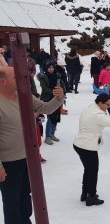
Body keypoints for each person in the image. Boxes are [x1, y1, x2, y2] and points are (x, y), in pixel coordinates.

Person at [0, 66, 64, 223]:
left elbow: (46, 108)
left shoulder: (23, 96)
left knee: (25, 196)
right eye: (15, 77)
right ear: (3, 82)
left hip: (27, 158)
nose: (22, 79)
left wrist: (59, 98)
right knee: (11, 202)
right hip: (7, 163)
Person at [37, 62, 66, 145]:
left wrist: (62, 93)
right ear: (46, 68)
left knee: (56, 117)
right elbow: (45, 89)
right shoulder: (43, 77)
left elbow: (62, 86)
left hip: (57, 99)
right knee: (50, 118)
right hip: (48, 99)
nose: (51, 69)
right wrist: (56, 93)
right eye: (49, 68)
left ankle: (52, 134)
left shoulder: (57, 76)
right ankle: (48, 137)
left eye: (52, 67)